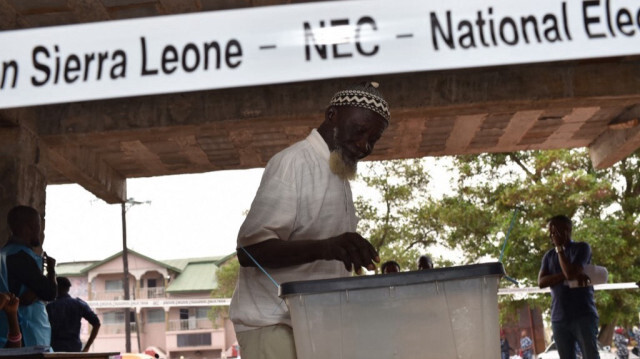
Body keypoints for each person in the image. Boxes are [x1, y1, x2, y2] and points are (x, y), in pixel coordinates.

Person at [229, 82, 390, 359]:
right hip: (272, 325)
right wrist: (327, 248)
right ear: (332, 116)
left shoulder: (337, 174)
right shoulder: (294, 163)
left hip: (315, 326)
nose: (365, 145)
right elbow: (248, 253)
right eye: (360, 131)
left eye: (373, 140)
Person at [538, 215, 600, 359]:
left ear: (567, 230)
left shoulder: (582, 248)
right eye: (550, 231)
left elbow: (570, 272)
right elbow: (541, 282)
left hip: (583, 315)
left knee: (590, 355)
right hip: (558, 318)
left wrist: (559, 248)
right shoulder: (548, 256)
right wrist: (567, 275)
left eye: (555, 230)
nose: (551, 235)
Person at [0, 205, 57, 348]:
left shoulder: (4, 254)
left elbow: (19, 289)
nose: (40, 230)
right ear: (27, 228)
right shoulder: (21, 256)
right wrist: (51, 270)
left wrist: (35, 293)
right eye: (38, 225)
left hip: (5, 332)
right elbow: (50, 292)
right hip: (26, 334)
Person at [46, 276, 101, 352]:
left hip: (55, 350)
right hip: (74, 349)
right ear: (68, 288)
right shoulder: (79, 304)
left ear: (55, 288)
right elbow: (97, 323)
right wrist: (87, 347)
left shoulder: (49, 307)